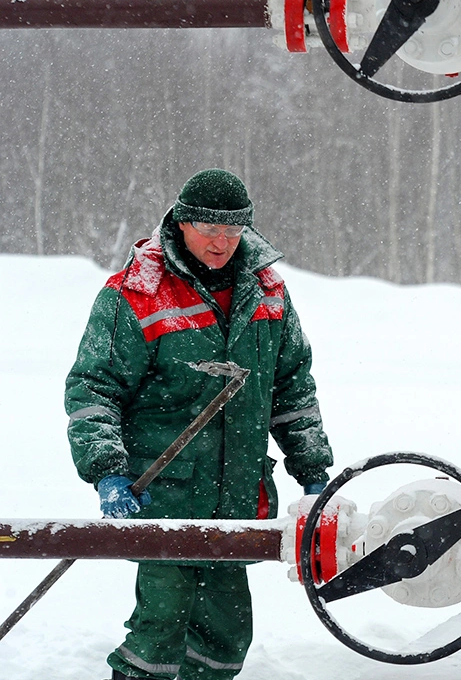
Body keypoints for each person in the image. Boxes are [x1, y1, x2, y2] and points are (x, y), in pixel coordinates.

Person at [64, 169, 334, 680]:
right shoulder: (137, 295)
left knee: (226, 639)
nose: (221, 243)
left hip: (238, 497)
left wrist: (313, 468)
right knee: (159, 630)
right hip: (163, 494)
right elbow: (93, 388)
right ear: (182, 222)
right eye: (209, 229)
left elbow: (292, 387)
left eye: (233, 232)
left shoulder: (267, 293)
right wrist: (107, 469)